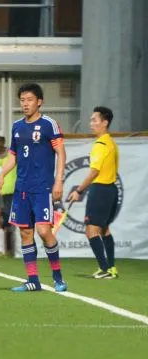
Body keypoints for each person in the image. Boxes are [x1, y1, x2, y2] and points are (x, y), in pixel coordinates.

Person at [0, 83, 68, 293]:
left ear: (39, 102)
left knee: (44, 231)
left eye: (29, 100)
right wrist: (2, 173)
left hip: (42, 188)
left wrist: (59, 181)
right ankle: (33, 280)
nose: (25, 104)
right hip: (22, 189)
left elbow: (61, 152)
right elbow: (13, 155)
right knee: (25, 233)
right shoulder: (17, 126)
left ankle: (58, 277)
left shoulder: (49, 124)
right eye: (22, 100)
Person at [68, 106, 119, 279]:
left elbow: (94, 172)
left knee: (91, 230)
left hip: (101, 190)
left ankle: (104, 269)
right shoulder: (111, 143)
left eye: (94, 120)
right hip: (111, 190)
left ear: (105, 123)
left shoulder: (100, 144)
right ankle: (111, 268)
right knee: (104, 229)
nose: (91, 123)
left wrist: (79, 191)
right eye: (91, 120)